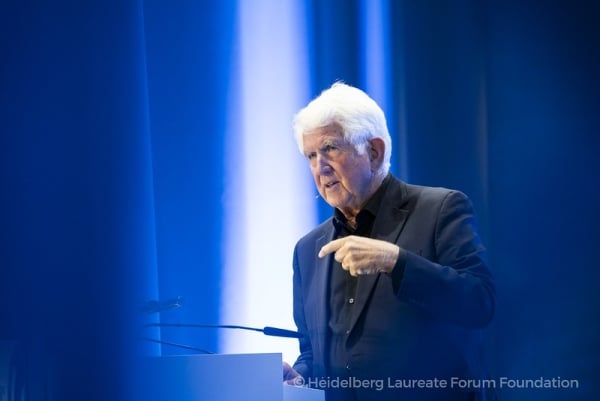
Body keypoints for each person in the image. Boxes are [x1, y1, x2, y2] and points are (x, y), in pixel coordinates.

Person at [282, 82, 495, 401]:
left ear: (374, 151)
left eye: (330, 149)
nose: (319, 166)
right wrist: (300, 378)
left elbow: (480, 303)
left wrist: (397, 262)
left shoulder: (440, 209)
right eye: (311, 155)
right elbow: (314, 352)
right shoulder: (307, 250)